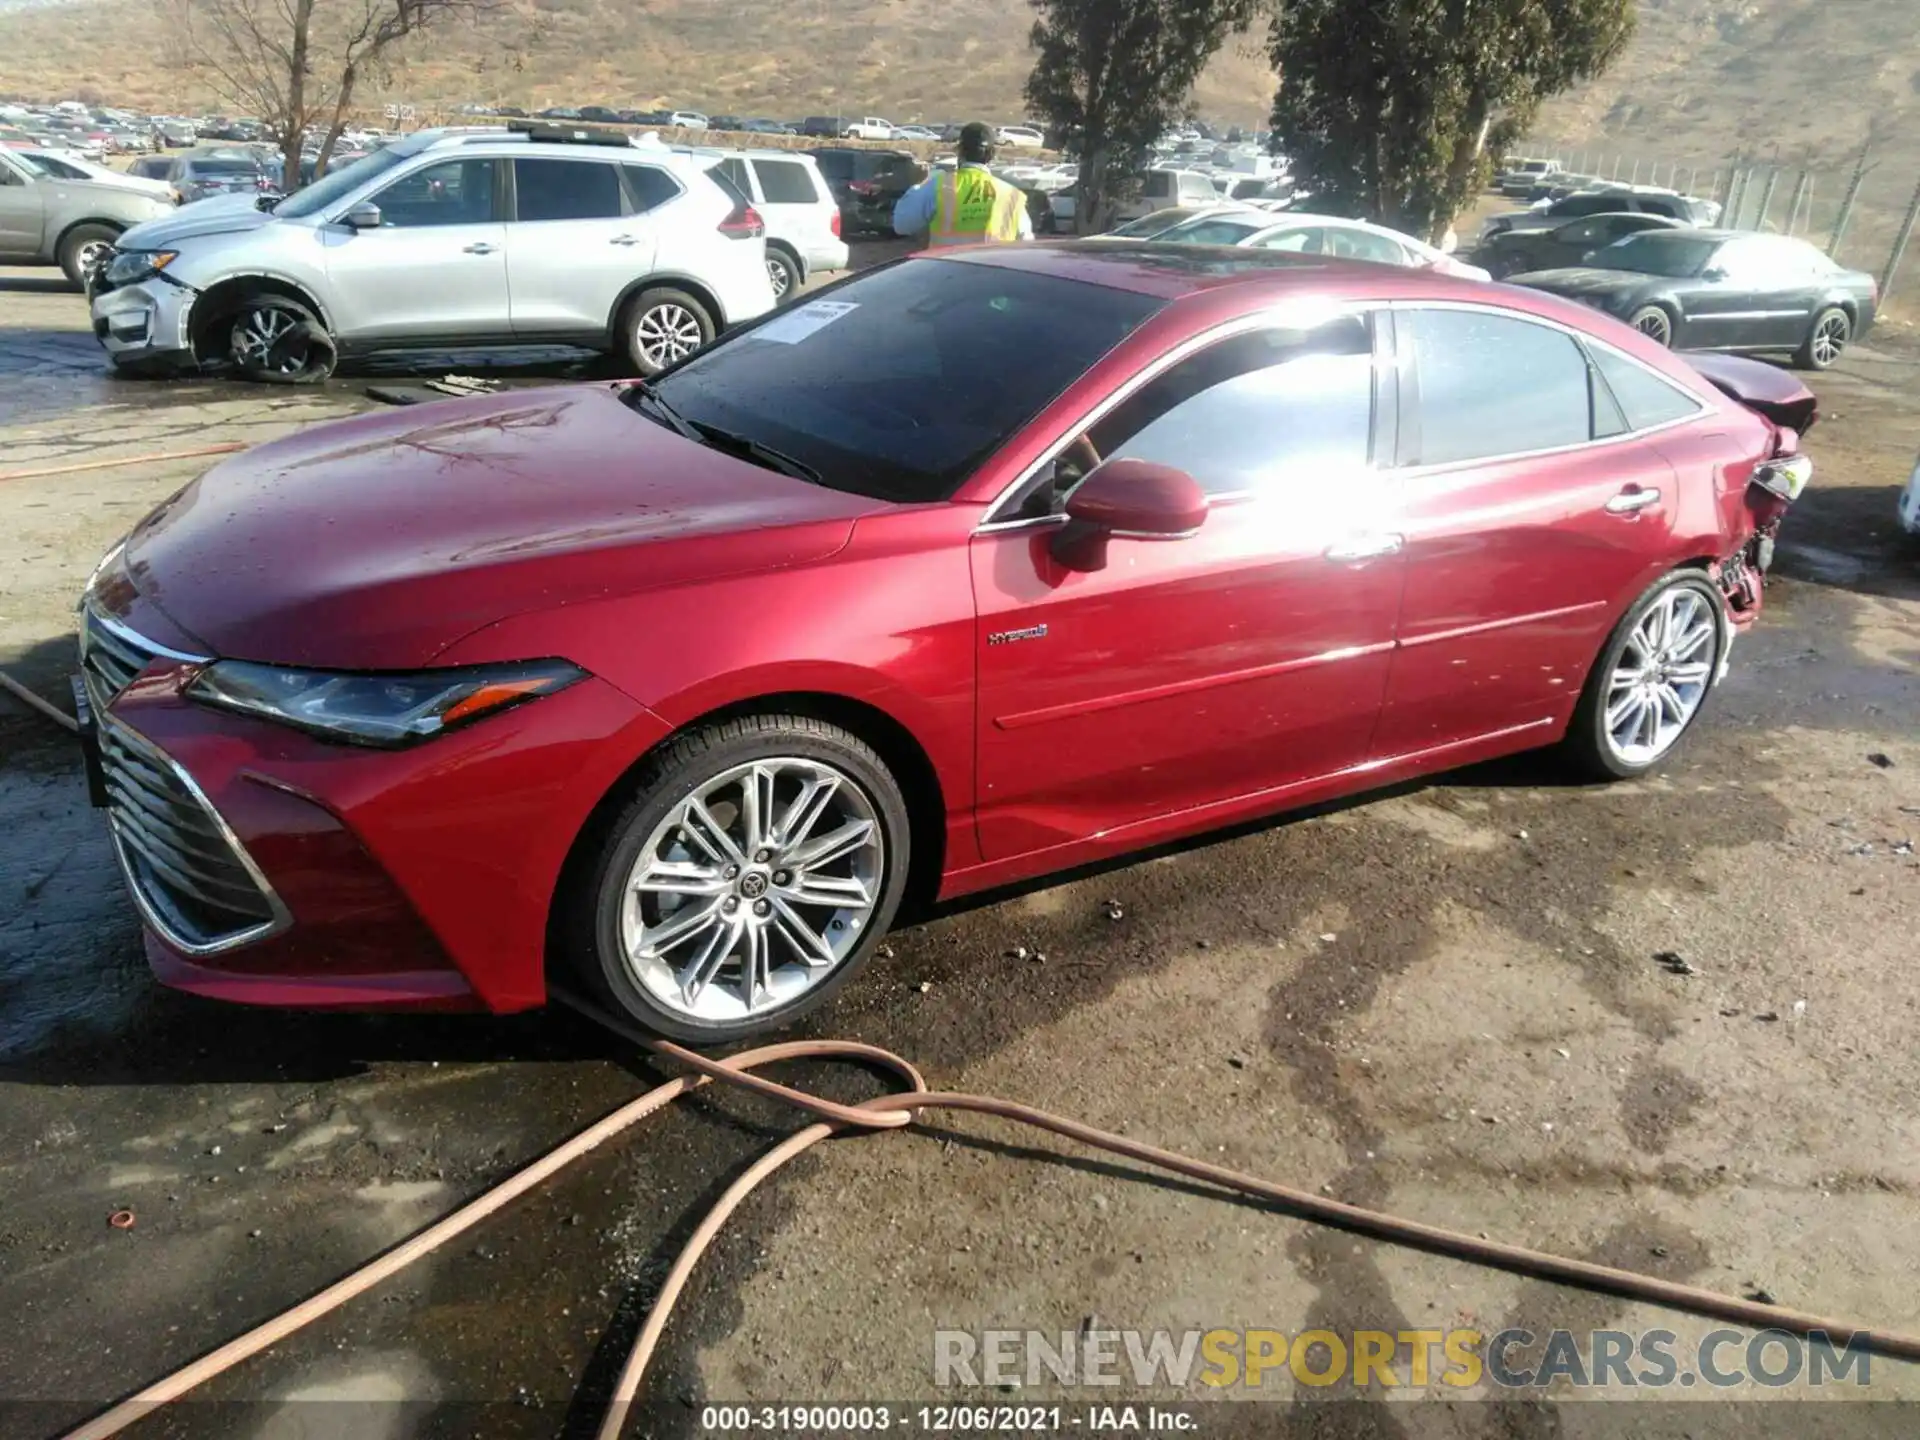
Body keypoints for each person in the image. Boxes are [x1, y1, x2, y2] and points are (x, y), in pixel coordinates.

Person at [891, 122, 1032, 247]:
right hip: (994, 275)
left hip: (948, 273)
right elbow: (1025, 245)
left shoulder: (939, 186)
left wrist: (917, 183)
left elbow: (902, 225)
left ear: (960, 151)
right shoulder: (1011, 195)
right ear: (992, 155)